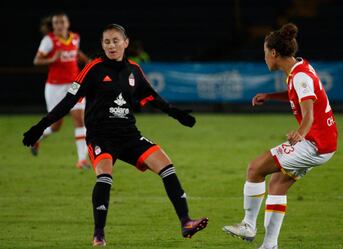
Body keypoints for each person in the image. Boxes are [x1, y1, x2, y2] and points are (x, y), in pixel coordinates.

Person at [23, 23, 208, 246]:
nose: (111, 45)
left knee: (166, 166)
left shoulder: (134, 70)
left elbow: (151, 97)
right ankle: (99, 234)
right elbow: (69, 101)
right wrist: (40, 126)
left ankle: (186, 221)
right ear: (102, 45)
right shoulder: (93, 68)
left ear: (125, 42)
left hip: (129, 135)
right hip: (101, 136)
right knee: (105, 176)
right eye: (107, 42)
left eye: (116, 40)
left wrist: (176, 114)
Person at [222, 23, 338, 249]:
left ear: (274, 53)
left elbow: (309, 115)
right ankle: (269, 245)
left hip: (314, 144)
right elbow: (302, 96)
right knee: (277, 185)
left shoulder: (300, 77)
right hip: (324, 144)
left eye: (265, 53)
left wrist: (300, 133)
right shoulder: (299, 68)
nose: (264, 57)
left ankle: (248, 225)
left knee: (255, 169)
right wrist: (271, 95)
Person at [33, 11, 90, 169]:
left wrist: (88, 62)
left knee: (80, 120)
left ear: (67, 23)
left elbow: (76, 53)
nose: (60, 25)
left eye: (62, 22)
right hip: (55, 86)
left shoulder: (75, 38)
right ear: (53, 25)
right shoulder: (49, 40)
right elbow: (37, 60)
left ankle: (81, 160)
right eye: (56, 22)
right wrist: (52, 58)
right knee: (56, 125)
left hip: (74, 85)